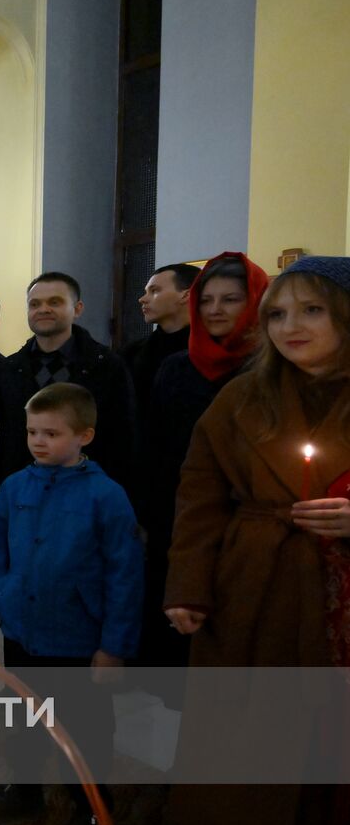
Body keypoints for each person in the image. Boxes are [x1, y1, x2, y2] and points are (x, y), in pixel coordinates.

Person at [163, 257, 350, 825]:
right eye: (276, 314)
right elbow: (200, 493)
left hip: (339, 608)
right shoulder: (244, 394)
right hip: (254, 593)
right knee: (245, 753)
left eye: (312, 310)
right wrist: (188, 585)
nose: (290, 326)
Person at [0, 383, 143, 825]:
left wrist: (114, 646)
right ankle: (21, 788)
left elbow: (126, 576)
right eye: (32, 432)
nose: (38, 441)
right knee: (22, 718)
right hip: (25, 633)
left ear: (84, 435)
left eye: (52, 432)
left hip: (79, 638)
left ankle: (92, 810)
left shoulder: (106, 497)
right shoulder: (15, 487)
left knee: (84, 733)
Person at [138, 253, 268, 666]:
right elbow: (153, 444)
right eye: (206, 300)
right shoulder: (176, 368)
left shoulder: (270, 368)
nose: (214, 310)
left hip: (251, 519)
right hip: (177, 514)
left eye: (229, 300)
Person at [0, 272, 137, 496]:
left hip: (87, 493)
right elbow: (1, 437)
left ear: (77, 309)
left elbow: (123, 437)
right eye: (35, 304)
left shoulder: (107, 366)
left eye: (55, 302)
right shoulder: (10, 368)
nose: (43, 309)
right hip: (24, 492)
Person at [121, 262, 201, 415]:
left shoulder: (210, 351)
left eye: (154, 291)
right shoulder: (131, 353)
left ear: (186, 295)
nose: (142, 299)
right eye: (146, 291)